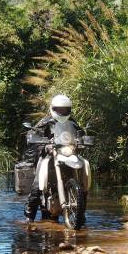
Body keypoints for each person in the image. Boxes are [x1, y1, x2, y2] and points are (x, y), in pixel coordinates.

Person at [23, 94, 83, 223]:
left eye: (64, 110)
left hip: (67, 154)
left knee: (83, 175)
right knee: (37, 185)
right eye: (59, 109)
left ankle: (80, 214)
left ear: (69, 109)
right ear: (53, 109)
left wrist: (82, 141)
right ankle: (29, 216)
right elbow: (32, 136)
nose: (62, 112)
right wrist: (43, 146)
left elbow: (80, 134)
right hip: (49, 156)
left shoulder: (72, 122)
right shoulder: (45, 122)